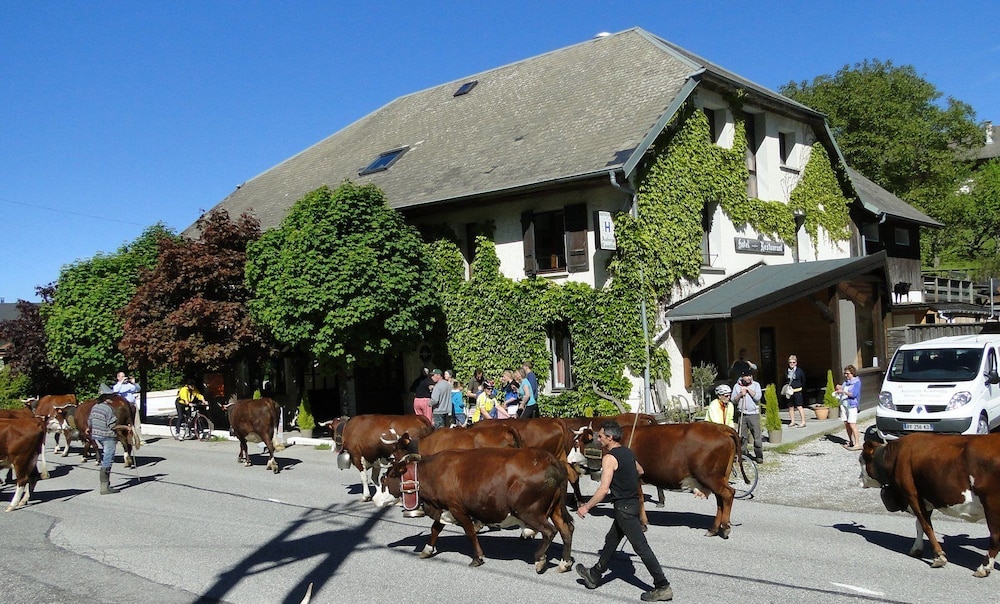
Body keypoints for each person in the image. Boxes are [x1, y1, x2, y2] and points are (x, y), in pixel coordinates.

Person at [575, 420, 673, 602]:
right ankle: (594, 574)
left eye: (601, 436)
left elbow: (603, 489)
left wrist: (586, 507)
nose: (598, 439)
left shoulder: (609, 458)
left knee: (641, 547)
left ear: (610, 437)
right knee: (611, 540)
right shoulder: (628, 452)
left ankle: (662, 586)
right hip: (632, 505)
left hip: (624, 509)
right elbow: (640, 470)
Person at [86, 396, 131, 495]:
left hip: (97, 435)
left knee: (105, 457)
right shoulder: (108, 409)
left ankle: (106, 484)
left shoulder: (95, 407)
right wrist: (126, 427)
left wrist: (89, 428)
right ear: (106, 399)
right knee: (108, 459)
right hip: (108, 436)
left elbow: (90, 421)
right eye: (111, 398)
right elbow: (112, 426)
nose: (112, 400)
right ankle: (104, 487)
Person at [732, 368, 763, 463]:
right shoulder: (737, 386)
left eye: (750, 375)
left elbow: (758, 397)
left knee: (757, 437)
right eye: (747, 376)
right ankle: (743, 455)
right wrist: (741, 394)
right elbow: (733, 400)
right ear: (742, 377)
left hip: (753, 414)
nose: (749, 378)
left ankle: (759, 456)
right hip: (742, 414)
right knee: (742, 437)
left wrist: (748, 390)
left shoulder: (756, 385)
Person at [836, 364, 862, 450]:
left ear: (852, 373)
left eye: (847, 373)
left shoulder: (857, 382)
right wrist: (839, 389)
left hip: (852, 405)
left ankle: (857, 443)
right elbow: (842, 390)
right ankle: (851, 441)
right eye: (845, 373)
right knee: (846, 423)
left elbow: (854, 394)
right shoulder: (846, 382)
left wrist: (843, 392)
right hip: (844, 404)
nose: (846, 375)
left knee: (852, 424)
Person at [784, 355, 808, 428]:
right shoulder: (786, 370)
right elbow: (785, 379)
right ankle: (792, 421)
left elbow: (803, 380)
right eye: (790, 362)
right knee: (790, 407)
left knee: (799, 406)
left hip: (797, 391)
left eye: (793, 362)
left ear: (796, 363)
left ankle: (803, 422)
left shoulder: (799, 371)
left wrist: (800, 387)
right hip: (790, 391)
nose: (792, 364)